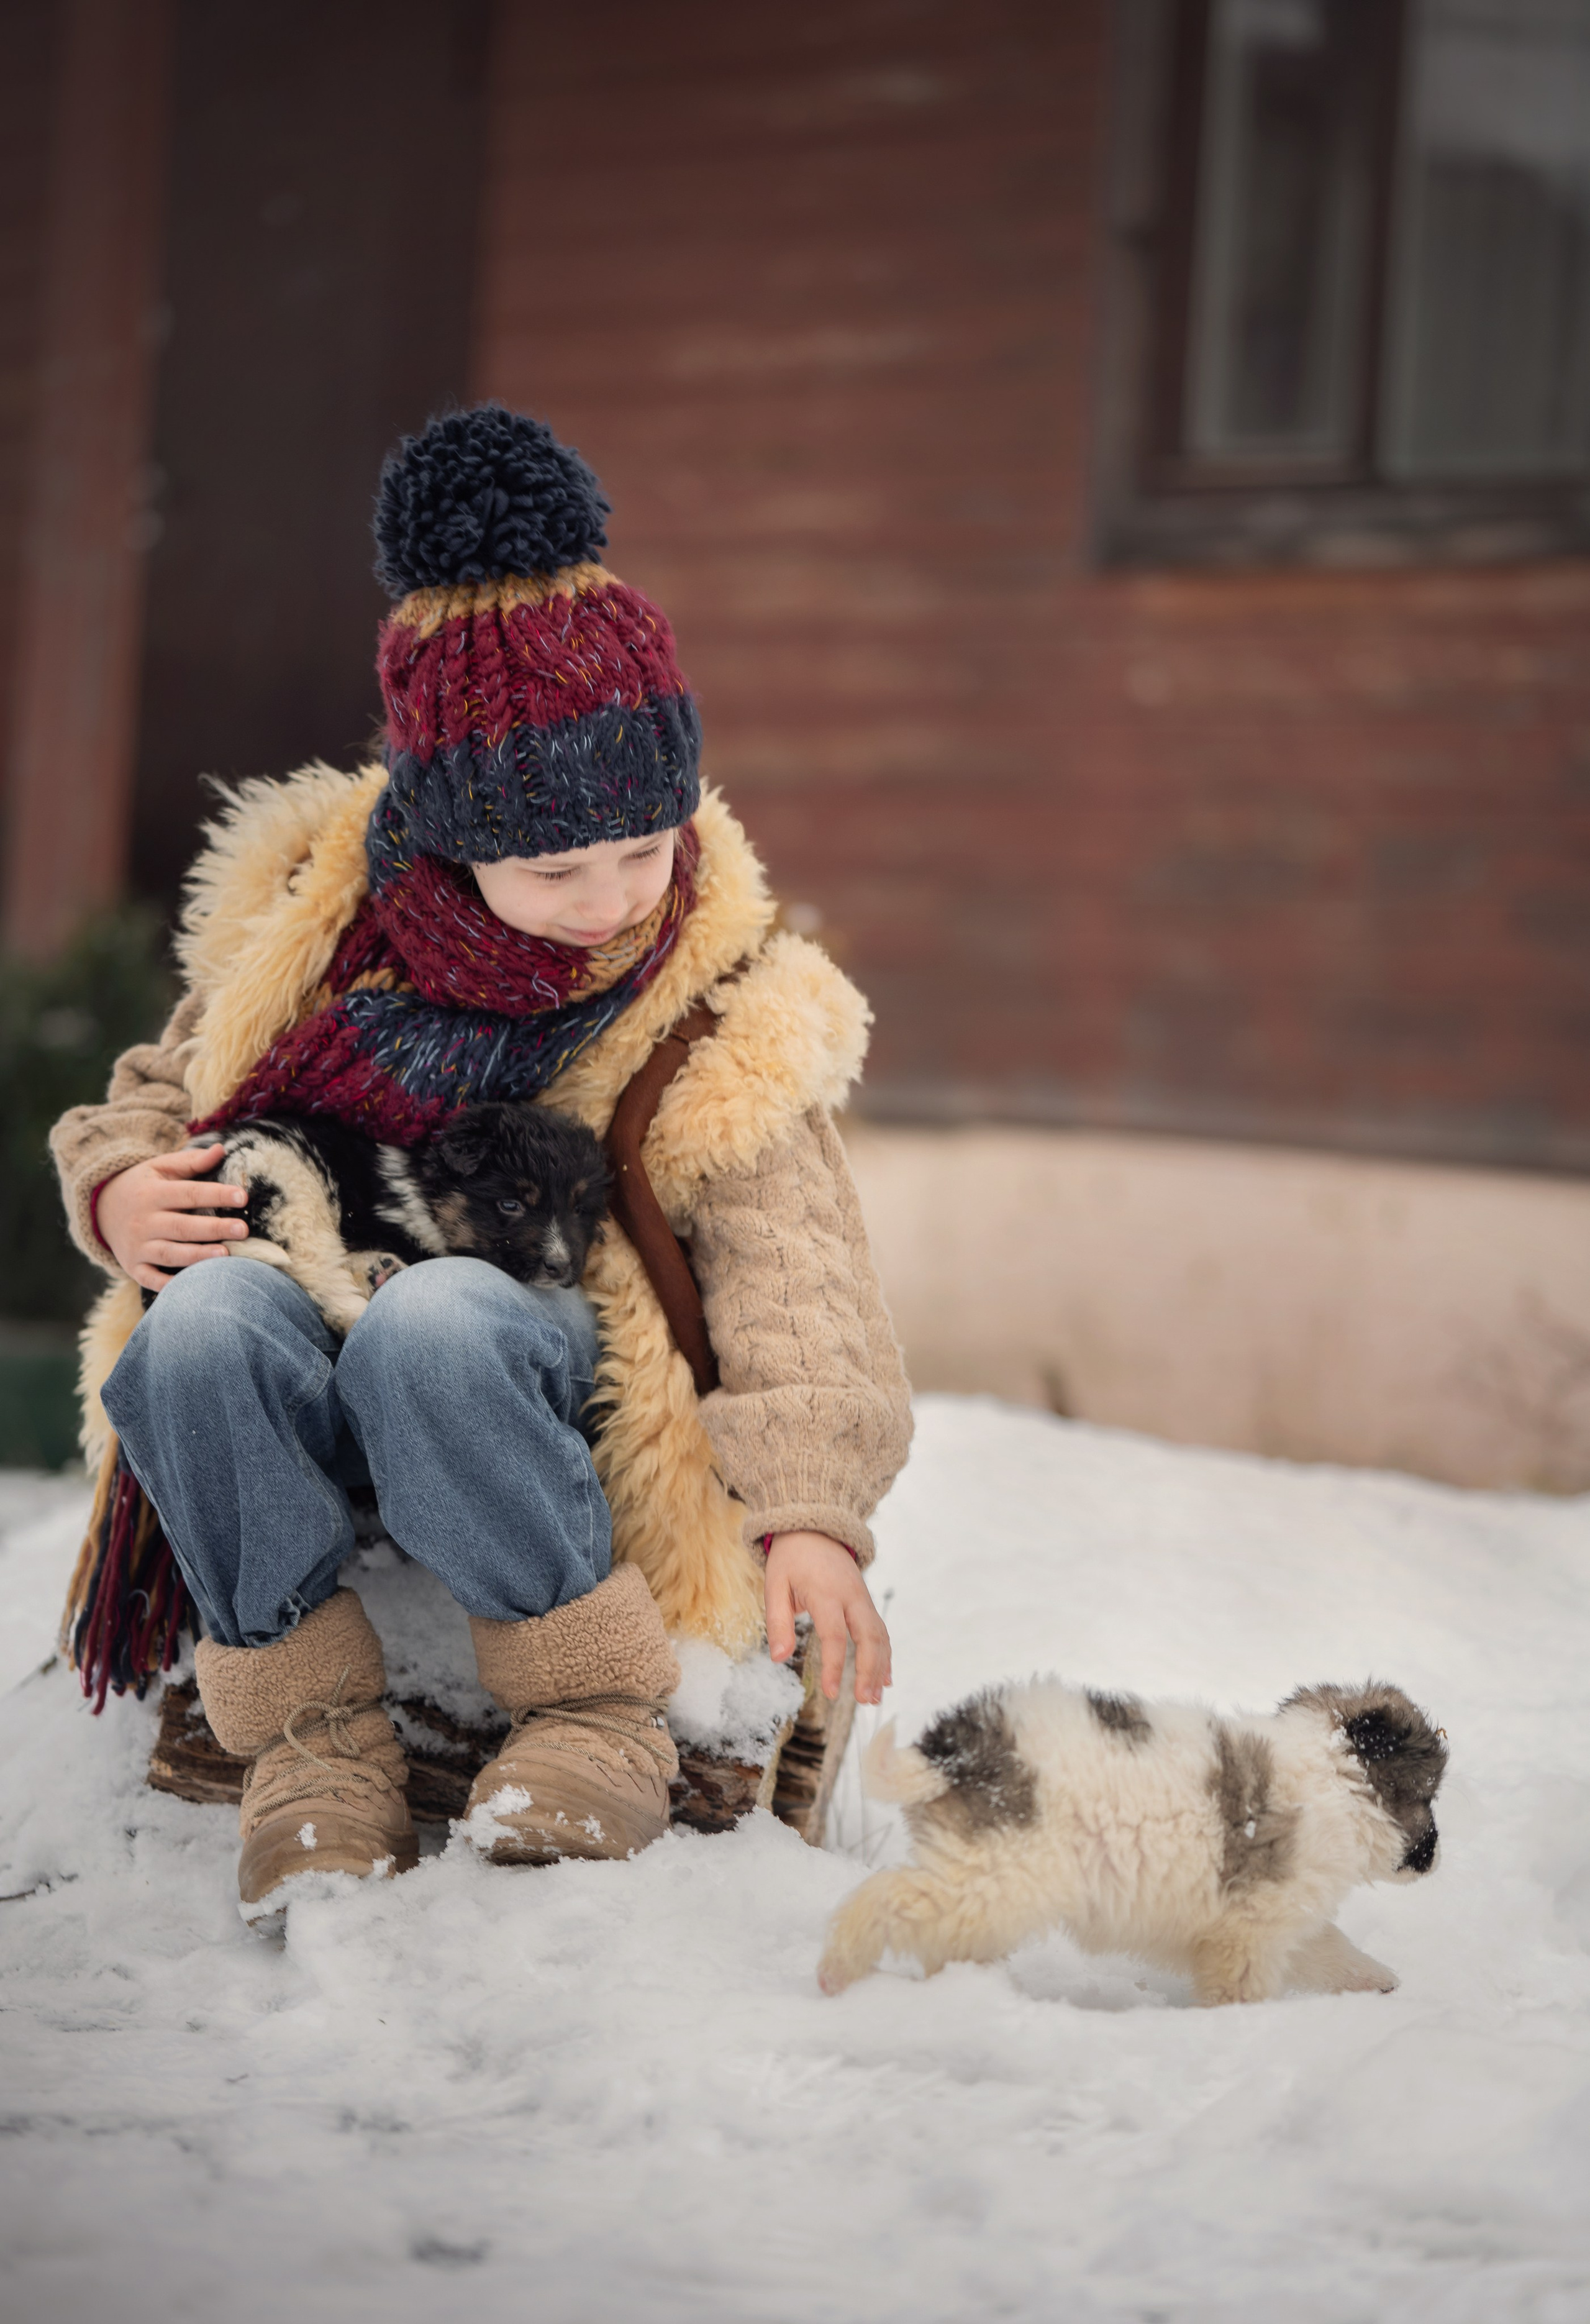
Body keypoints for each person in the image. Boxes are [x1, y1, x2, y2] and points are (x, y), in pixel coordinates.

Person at [50, 404, 912, 1918]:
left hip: (531, 1395)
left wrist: (809, 1508)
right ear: (446, 843)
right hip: (306, 1363)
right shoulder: (321, 930)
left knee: (436, 1311)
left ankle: (586, 1708)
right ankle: (312, 1740)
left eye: (643, 848)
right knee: (195, 1328)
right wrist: (122, 1182)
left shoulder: (709, 998)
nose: (610, 898)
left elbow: (799, 1274)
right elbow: (161, 1087)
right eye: (554, 869)